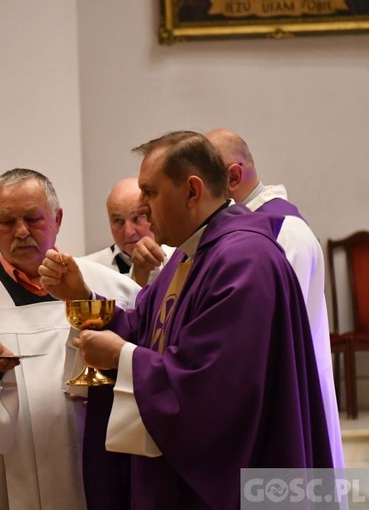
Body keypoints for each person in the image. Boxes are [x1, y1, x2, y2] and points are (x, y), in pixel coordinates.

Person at [39, 132, 333, 508]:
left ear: (193, 191)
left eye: (150, 193)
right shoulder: (188, 255)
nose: (142, 209)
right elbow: (143, 329)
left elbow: (216, 386)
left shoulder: (245, 260)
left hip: (236, 485)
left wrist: (122, 359)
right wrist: (81, 297)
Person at [0, 168, 141, 510]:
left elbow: (145, 357)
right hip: (5, 478)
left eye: (33, 218)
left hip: (94, 464)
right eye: (7, 222)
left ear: (57, 218)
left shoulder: (109, 287)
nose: (21, 232)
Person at [132, 128, 344, 469]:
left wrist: (129, 362)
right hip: (237, 410)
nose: (141, 208)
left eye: (150, 193)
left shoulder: (279, 235)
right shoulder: (200, 241)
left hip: (273, 408)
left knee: (280, 488)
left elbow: (263, 346)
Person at [84, 177, 173, 283]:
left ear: (152, 214)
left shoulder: (182, 259)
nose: (128, 232)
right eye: (118, 221)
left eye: (137, 218)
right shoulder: (86, 270)